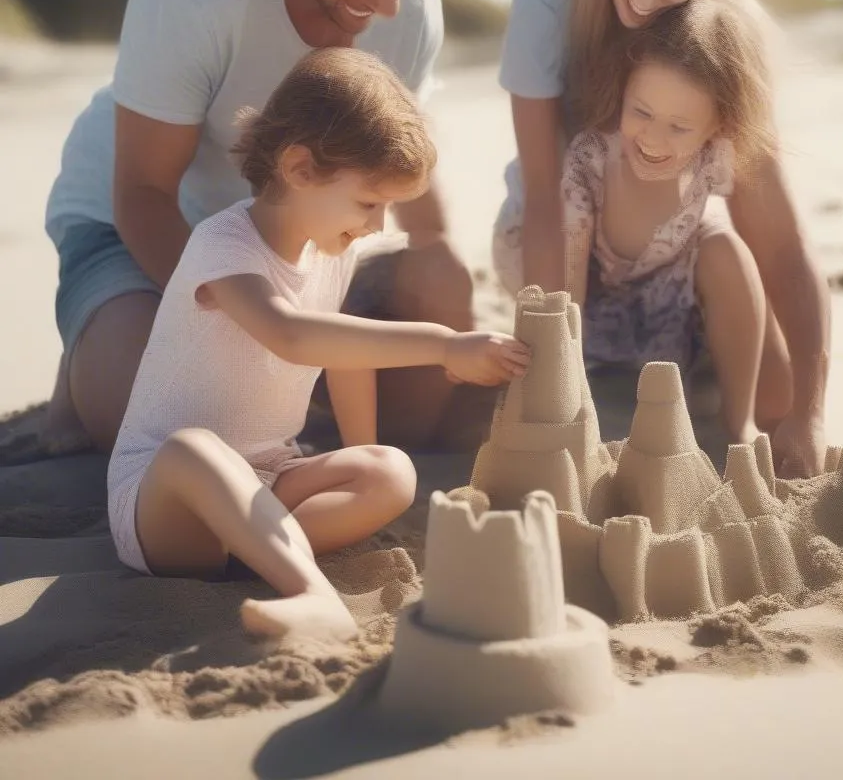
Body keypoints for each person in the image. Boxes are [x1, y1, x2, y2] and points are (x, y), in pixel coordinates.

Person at [43, 0, 471, 458]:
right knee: (166, 423)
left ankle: (306, 418)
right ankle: (85, 365)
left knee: (442, 294)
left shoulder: (407, 8)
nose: (387, 8)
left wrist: (440, 276)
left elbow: (402, 179)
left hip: (302, 236)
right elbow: (142, 194)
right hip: (143, 226)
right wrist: (262, 329)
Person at [107, 47, 530, 639]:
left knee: (391, 472)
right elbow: (292, 336)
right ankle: (311, 591)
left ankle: (261, 548)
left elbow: (340, 354)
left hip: (273, 476)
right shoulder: (222, 247)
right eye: (369, 203)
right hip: (165, 503)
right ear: (300, 168)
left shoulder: (333, 251)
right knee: (193, 449)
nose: (378, 225)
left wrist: (358, 455)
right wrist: (443, 345)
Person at [492, 0, 831, 477]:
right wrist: (554, 389)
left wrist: (808, 416)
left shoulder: (731, 27)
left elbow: (781, 242)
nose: (645, 0)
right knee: (565, 399)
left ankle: (682, 369)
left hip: (667, 239)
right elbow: (544, 201)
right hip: (564, 234)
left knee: (779, 393)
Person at [562, 0, 774, 448]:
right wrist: (564, 386)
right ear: (624, 90)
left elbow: (730, 243)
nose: (654, 138)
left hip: (676, 315)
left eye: (679, 127)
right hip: (602, 319)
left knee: (726, 248)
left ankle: (740, 421)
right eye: (641, 112)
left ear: (718, 126)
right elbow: (570, 277)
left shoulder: (716, 157)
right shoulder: (591, 159)